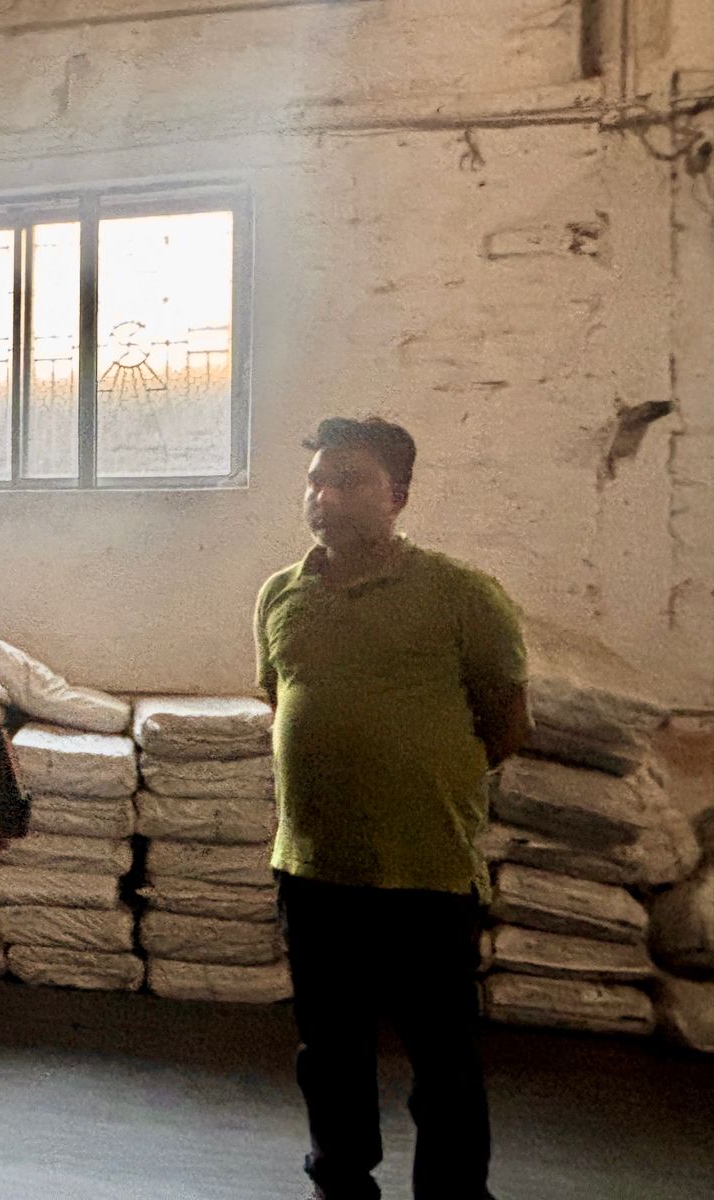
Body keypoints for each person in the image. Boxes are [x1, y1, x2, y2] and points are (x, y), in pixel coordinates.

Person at [255, 417, 531, 1200]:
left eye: (349, 481)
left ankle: (452, 1192)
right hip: (313, 867)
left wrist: (420, 778)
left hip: (425, 870)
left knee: (442, 1056)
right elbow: (281, 699)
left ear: (398, 495)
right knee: (330, 1049)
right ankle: (340, 1176)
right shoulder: (280, 595)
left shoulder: (462, 595)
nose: (325, 496)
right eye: (316, 481)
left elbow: (507, 723)